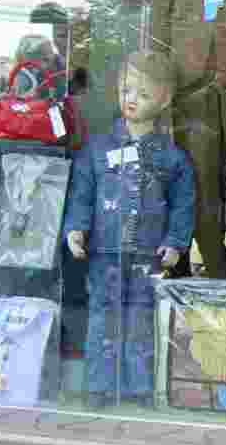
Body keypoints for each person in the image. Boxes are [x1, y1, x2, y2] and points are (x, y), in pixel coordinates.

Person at [64, 51, 195, 408]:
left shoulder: (172, 157)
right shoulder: (97, 148)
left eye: (143, 93)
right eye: (126, 90)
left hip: (147, 253)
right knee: (102, 317)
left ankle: (138, 387)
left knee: (140, 318)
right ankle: (98, 387)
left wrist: (176, 242)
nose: (132, 99)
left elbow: (183, 204)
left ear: (165, 99)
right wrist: (76, 229)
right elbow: (82, 193)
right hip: (104, 249)